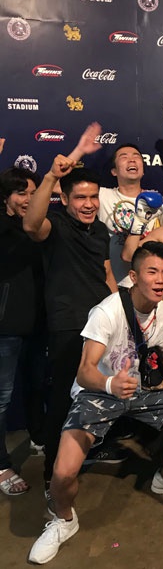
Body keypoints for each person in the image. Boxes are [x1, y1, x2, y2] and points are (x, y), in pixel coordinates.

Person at [28, 241, 163, 565]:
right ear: (134, 276)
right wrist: (110, 383)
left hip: (142, 390)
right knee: (63, 473)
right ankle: (63, 521)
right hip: (100, 390)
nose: (159, 279)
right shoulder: (107, 311)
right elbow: (84, 371)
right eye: (151, 271)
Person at [23, 127, 118, 491]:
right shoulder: (56, 225)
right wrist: (50, 176)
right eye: (80, 198)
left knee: (99, 394)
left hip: (102, 324)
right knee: (64, 397)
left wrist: (120, 315)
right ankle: (53, 472)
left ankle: (89, 449)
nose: (89, 204)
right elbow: (31, 224)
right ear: (64, 199)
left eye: (93, 197)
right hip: (68, 326)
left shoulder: (101, 231)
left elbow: (106, 273)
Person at [0, 167, 44, 495]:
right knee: (2, 398)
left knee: (37, 387)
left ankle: (39, 438)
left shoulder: (41, 226)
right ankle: (1, 465)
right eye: (21, 193)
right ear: (6, 196)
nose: (28, 199)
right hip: (6, 328)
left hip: (39, 324)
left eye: (33, 192)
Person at [80, 143, 163, 287]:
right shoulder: (102, 195)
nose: (132, 160)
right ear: (114, 171)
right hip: (112, 284)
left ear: (143, 170)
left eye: (136, 156)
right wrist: (79, 150)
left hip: (148, 285)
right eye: (124, 157)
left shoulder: (157, 201)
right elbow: (60, 188)